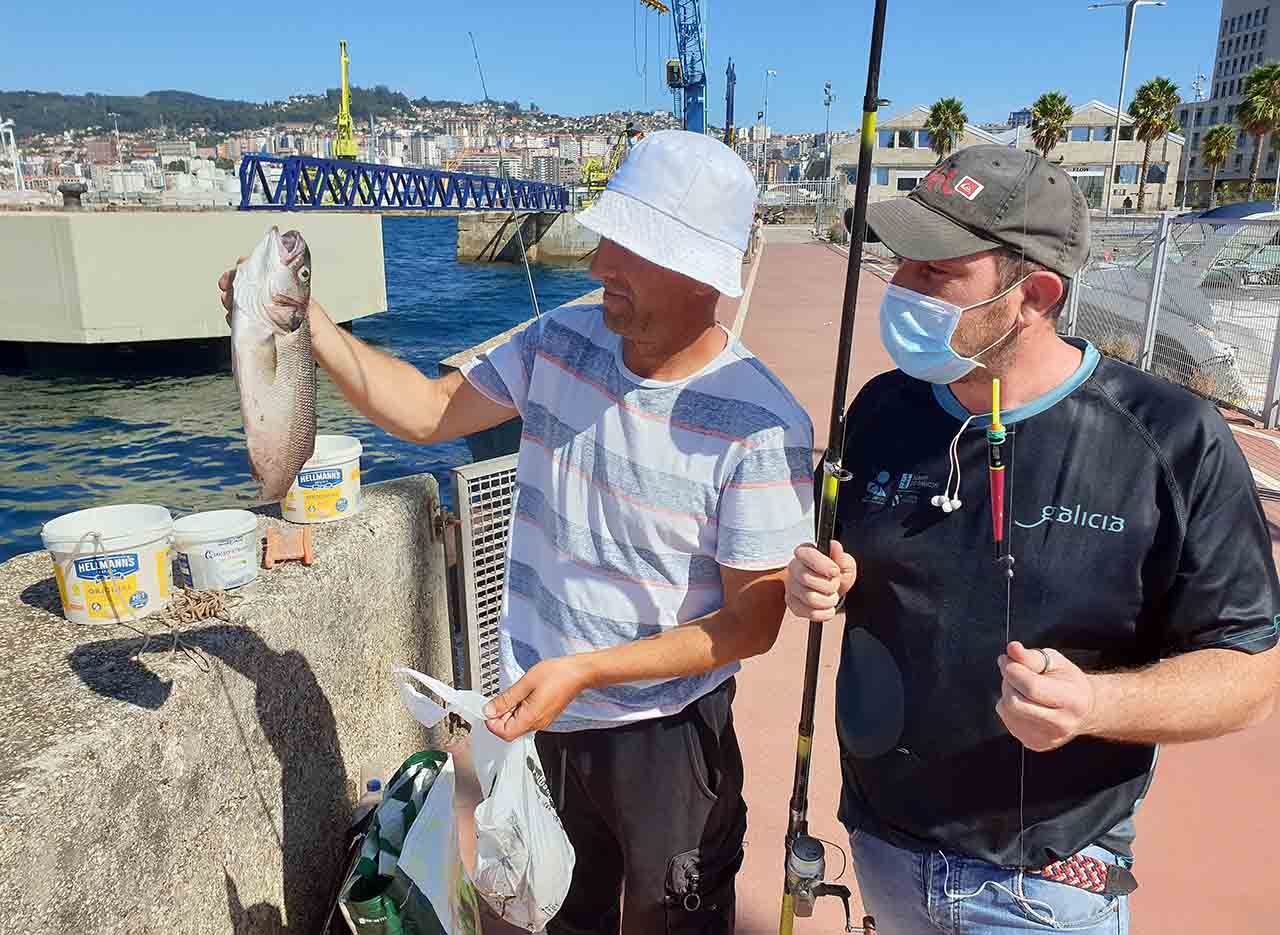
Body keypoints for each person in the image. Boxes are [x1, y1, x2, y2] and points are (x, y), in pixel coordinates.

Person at [220, 130, 814, 935]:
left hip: (667, 741)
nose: (600, 263)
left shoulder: (761, 421)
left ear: (698, 273)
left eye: (627, 248)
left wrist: (588, 670)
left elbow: (754, 620)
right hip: (544, 720)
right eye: (607, 238)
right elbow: (429, 412)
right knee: (555, 913)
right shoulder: (561, 336)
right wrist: (303, 324)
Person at [786, 144, 1280, 934]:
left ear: (1034, 294)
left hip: (1051, 886)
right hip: (881, 847)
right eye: (900, 261)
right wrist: (819, 579)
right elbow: (840, 561)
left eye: (936, 272)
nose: (901, 288)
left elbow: (1253, 672)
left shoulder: (1172, 436)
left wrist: (1094, 702)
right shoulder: (881, 410)